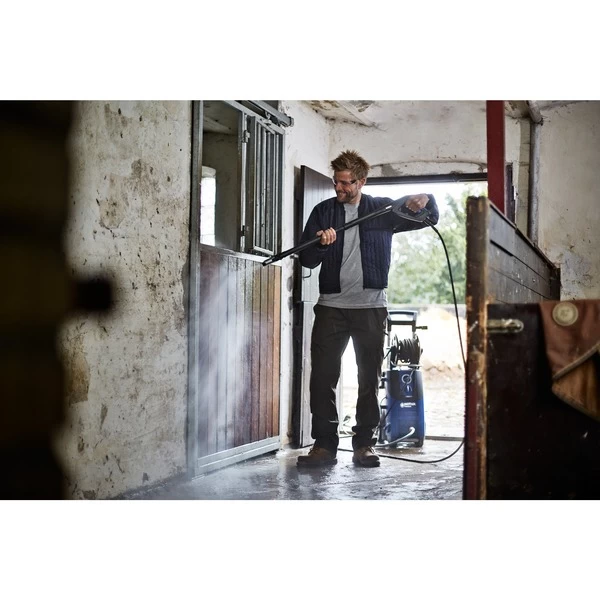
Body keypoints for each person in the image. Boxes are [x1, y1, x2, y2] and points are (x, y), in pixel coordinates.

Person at [296, 150, 439, 468]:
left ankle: (364, 444)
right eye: (336, 182)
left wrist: (426, 199)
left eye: (346, 183)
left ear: (361, 182)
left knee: (368, 380)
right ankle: (324, 445)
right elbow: (307, 260)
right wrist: (321, 244)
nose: (339, 188)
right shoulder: (323, 211)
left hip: (371, 308)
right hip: (331, 307)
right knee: (322, 377)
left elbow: (428, 218)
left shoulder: (382, 210)